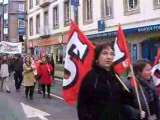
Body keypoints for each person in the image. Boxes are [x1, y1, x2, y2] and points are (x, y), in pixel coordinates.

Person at [77, 42, 133, 120]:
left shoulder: (115, 77)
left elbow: (119, 100)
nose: (109, 57)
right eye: (105, 53)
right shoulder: (91, 78)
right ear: (97, 58)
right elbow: (82, 107)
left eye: (111, 54)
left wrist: (129, 96)